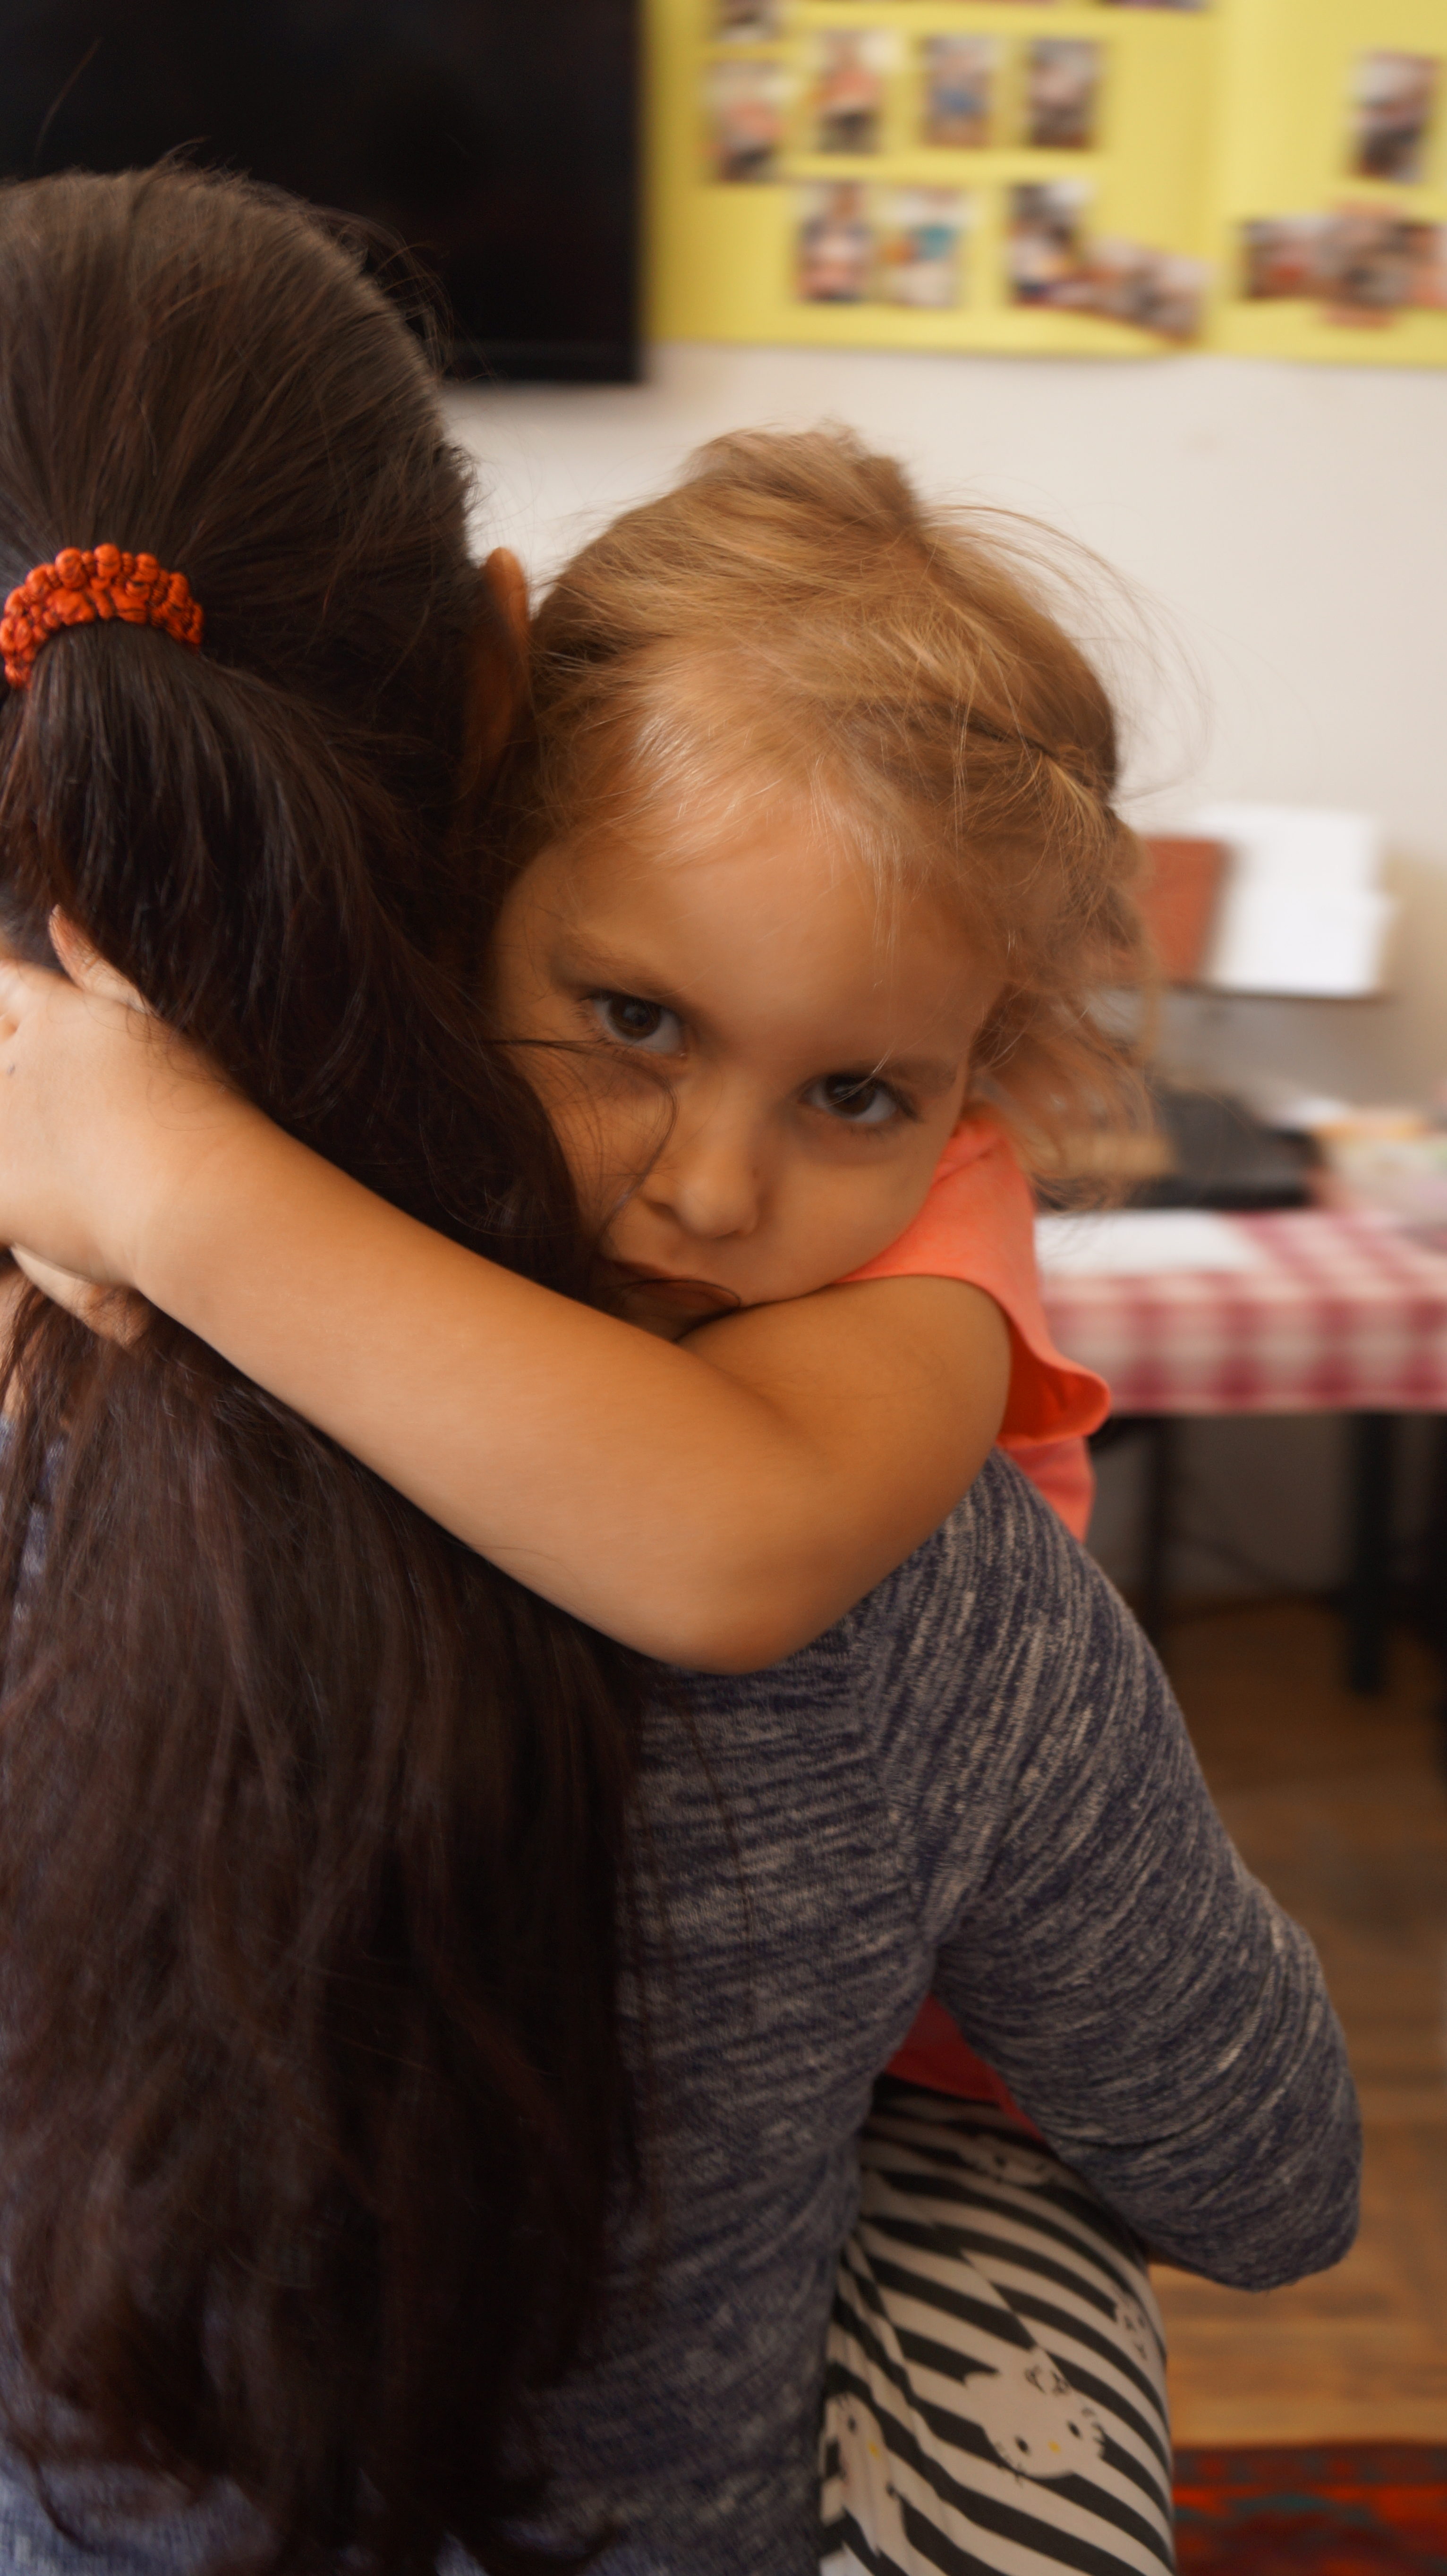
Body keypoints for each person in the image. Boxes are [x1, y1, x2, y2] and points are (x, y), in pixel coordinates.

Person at [0, 168, 1359, 2576]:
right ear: (490, 710)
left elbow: (729, 1537)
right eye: (628, 1017)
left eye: (860, 1093)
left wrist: (156, 1178)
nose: (712, 1192)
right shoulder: (925, 1596)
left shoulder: (849, 1369)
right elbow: (1264, 2171)